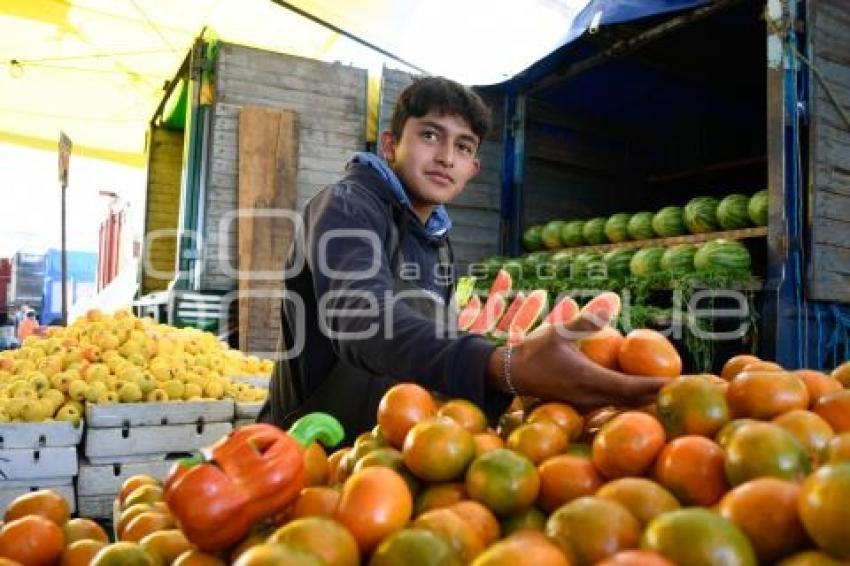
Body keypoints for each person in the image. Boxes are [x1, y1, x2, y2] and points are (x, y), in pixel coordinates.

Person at [259, 77, 667, 441]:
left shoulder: (437, 242)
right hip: (303, 452)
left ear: (473, 168)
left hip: (388, 453)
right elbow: (360, 315)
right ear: (390, 145)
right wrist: (500, 363)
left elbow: (422, 354)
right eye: (431, 136)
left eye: (463, 146)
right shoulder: (346, 206)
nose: (446, 157)